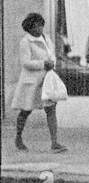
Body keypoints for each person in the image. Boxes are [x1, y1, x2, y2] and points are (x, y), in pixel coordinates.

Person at [11, 12, 67, 152]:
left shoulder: (47, 38)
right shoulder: (25, 41)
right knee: (25, 111)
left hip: (46, 79)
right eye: (36, 26)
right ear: (29, 28)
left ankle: (54, 142)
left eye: (41, 25)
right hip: (31, 82)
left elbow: (51, 54)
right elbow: (25, 62)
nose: (39, 28)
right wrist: (43, 64)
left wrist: (51, 62)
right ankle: (18, 137)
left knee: (51, 109)